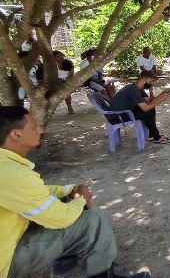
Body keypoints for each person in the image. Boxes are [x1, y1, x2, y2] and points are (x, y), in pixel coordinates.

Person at [0, 106, 150, 278]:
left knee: (61, 202)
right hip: (5, 264)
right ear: (16, 135)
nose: (40, 129)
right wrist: (80, 198)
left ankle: (65, 259)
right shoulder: (12, 175)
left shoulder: (5, 166)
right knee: (91, 220)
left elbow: (36, 193)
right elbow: (62, 218)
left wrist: (69, 190)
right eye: (34, 126)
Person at [107, 73, 170, 144]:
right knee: (147, 114)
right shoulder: (133, 90)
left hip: (126, 111)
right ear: (143, 81)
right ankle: (157, 137)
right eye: (150, 82)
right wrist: (161, 99)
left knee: (151, 109)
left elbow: (149, 103)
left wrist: (161, 95)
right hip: (117, 116)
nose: (151, 84)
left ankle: (152, 135)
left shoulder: (138, 88)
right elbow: (145, 108)